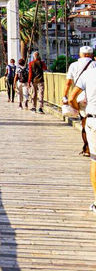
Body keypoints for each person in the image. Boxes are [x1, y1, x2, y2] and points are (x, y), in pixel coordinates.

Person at [65, 64, 96, 215]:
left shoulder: (88, 75)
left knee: (95, 161)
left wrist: (78, 109)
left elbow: (71, 98)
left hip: (93, 120)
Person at [63, 46, 96, 157]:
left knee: (84, 123)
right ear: (91, 55)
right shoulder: (94, 65)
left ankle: (87, 148)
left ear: (80, 54)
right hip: (92, 96)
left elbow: (68, 83)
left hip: (79, 97)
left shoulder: (73, 65)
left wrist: (64, 96)